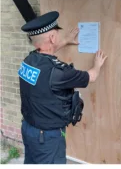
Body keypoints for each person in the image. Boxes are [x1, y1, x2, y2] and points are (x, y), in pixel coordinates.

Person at [18, 11, 107, 164]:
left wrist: (66, 41)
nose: (58, 36)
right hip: (47, 139)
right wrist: (97, 65)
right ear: (52, 38)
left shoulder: (29, 60)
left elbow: (45, 53)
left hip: (28, 129)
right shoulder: (59, 73)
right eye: (57, 33)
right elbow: (91, 76)